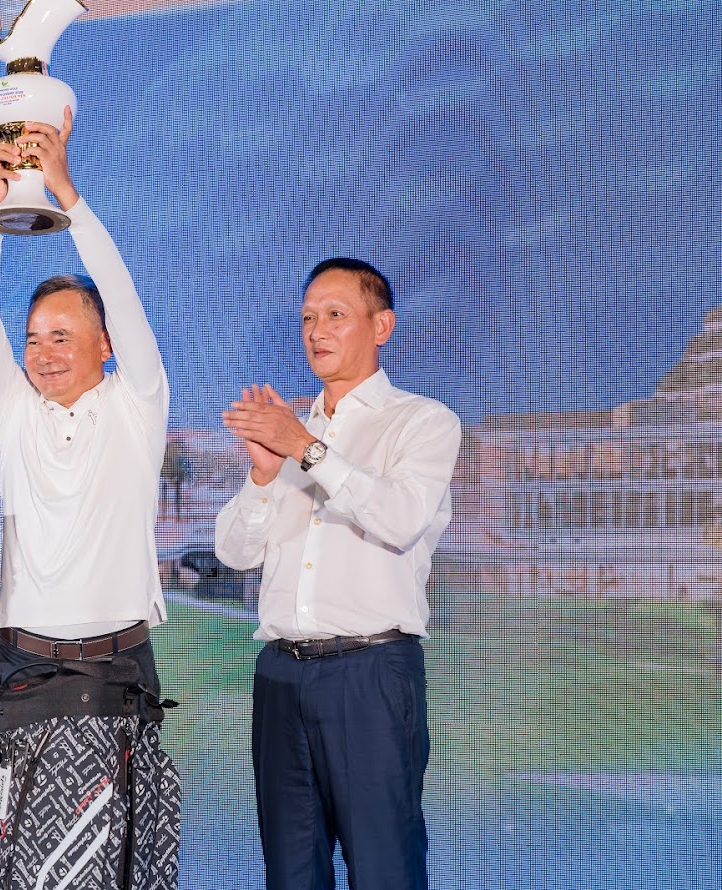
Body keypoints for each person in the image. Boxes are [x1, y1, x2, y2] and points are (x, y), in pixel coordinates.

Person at [0, 110, 170, 885]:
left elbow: (120, 293)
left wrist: (66, 196)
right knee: (11, 870)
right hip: (21, 672)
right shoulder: (13, 412)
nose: (42, 353)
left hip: (116, 674)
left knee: (112, 872)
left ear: (104, 345)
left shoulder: (136, 405)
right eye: (33, 338)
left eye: (62, 336)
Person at [214, 258, 461, 890]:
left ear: (382, 326)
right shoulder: (291, 435)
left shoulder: (421, 421)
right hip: (280, 676)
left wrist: (305, 449)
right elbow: (235, 553)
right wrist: (263, 476)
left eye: (334, 315)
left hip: (369, 673)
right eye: (307, 318)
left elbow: (399, 518)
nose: (316, 331)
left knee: (383, 870)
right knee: (292, 873)